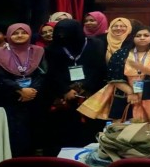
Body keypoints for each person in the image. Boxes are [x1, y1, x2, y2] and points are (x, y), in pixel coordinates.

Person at [44, 19, 108, 152]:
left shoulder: (95, 44)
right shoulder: (52, 49)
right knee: (65, 127)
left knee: (90, 128)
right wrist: (65, 90)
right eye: (59, 32)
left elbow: (99, 68)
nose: (62, 35)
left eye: (66, 32)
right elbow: (52, 72)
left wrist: (85, 87)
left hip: (91, 92)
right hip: (64, 95)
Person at [0, 23, 47, 156]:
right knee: (16, 133)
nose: (20, 35)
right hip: (10, 99)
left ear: (30, 34)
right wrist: (19, 90)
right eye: (15, 33)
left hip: (35, 97)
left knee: (36, 129)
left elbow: (43, 73)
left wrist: (32, 90)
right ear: (8, 35)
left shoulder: (38, 51)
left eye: (23, 32)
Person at [102, 26, 150, 128]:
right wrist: (131, 92)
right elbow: (113, 77)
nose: (142, 38)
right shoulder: (120, 53)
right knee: (125, 127)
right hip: (125, 92)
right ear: (132, 38)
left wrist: (144, 69)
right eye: (138, 36)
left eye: (146, 35)